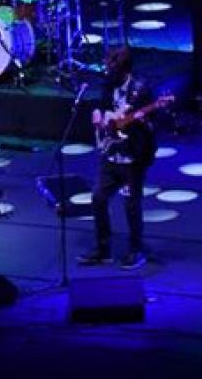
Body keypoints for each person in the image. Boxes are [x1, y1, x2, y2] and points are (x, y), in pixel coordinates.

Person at [78, 46, 158, 271]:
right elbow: (102, 109)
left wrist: (139, 120)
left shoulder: (141, 90)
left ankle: (136, 249)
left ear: (124, 70)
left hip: (134, 155)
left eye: (112, 70)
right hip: (111, 153)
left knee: (131, 205)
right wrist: (99, 118)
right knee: (98, 198)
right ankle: (102, 249)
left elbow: (153, 123)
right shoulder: (108, 86)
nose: (108, 73)